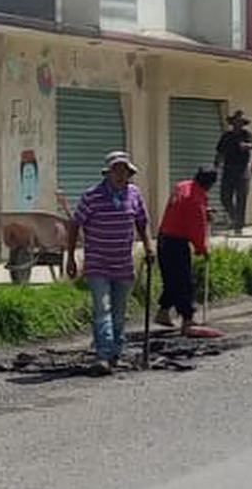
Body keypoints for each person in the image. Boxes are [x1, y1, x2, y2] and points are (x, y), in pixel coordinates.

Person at [66, 151, 154, 376]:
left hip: (123, 263)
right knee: (102, 308)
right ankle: (103, 355)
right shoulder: (92, 196)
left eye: (124, 170)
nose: (121, 174)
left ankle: (116, 351)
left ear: (129, 173)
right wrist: (70, 257)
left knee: (119, 311)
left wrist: (149, 246)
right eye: (117, 170)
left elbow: (142, 222)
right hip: (98, 263)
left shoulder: (134, 194)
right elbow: (75, 224)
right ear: (109, 172)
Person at [155, 167, 223, 338]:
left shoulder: (182, 186)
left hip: (163, 237)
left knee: (171, 278)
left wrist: (204, 211)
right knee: (184, 280)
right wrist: (203, 249)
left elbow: (182, 210)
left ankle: (163, 312)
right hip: (176, 242)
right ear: (209, 184)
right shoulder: (195, 200)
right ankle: (187, 319)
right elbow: (197, 230)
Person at [214, 110, 252, 234]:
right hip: (228, 169)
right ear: (233, 123)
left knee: (241, 198)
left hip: (242, 170)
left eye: (241, 122)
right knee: (224, 197)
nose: (238, 124)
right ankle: (234, 217)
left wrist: (246, 145)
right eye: (236, 122)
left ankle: (239, 226)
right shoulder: (226, 136)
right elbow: (219, 152)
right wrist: (216, 165)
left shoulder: (247, 134)